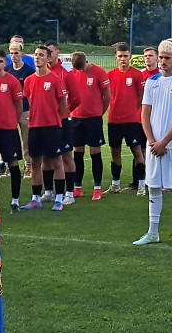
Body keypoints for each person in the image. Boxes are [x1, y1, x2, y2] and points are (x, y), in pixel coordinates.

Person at [134, 40, 172, 248]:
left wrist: (164, 142)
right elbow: (145, 114)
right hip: (154, 146)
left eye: (167, 58)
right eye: (160, 57)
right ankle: (153, 232)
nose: (162, 61)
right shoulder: (152, 82)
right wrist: (152, 141)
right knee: (154, 188)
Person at [21, 45, 69, 210]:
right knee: (35, 162)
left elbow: (63, 104)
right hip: (35, 127)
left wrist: (56, 119)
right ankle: (36, 198)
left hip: (52, 127)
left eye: (41, 55)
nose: (37, 57)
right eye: (35, 54)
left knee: (57, 161)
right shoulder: (29, 80)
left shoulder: (55, 79)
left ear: (48, 58)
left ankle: (59, 199)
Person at [66, 51, 111, 200]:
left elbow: (107, 96)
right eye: (77, 69)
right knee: (77, 152)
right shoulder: (72, 73)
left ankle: (97, 188)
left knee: (95, 152)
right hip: (77, 118)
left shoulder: (99, 72)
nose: (80, 71)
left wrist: (99, 113)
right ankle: (77, 187)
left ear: (86, 62)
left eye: (82, 68)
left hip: (94, 119)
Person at [106, 43, 147, 193]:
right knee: (114, 152)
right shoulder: (110, 75)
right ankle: (115, 184)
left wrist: (132, 110)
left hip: (132, 121)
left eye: (125, 56)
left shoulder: (137, 74)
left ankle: (141, 185)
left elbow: (141, 97)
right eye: (120, 56)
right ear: (116, 57)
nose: (123, 59)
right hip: (114, 120)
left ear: (130, 56)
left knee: (137, 152)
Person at [0, 49, 26, 212]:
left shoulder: (12, 81)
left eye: (0, 61)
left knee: (13, 164)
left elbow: (19, 106)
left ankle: (15, 201)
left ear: (5, 63)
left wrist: (12, 121)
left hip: (8, 130)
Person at [45, 40, 79, 203]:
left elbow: (76, 97)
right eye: (46, 53)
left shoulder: (66, 73)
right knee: (47, 157)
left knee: (66, 156)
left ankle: (70, 193)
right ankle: (49, 192)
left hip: (63, 121)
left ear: (57, 53)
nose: (49, 55)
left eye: (51, 52)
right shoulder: (41, 73)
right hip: (46, 123)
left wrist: (65, 111)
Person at [6, 42, 35, 177]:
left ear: (22, 54)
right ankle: (9, 164)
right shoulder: (7, 69)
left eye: (16, 53)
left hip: (25, 109)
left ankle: (28, 165)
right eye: (11, 53)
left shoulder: (29, 70)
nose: (13, 56)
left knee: (26, 139)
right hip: (10, 110)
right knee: (10, 139)